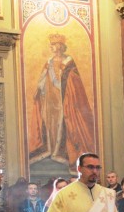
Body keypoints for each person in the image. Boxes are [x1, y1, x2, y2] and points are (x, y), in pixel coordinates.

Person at [27, 33, 95, 165]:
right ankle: (51, 149)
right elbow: (43, 78)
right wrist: (39, 89)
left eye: (53, 45)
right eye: (51, 45)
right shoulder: (49, 62)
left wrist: (65, 84)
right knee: (50, 123)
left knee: (63, 123)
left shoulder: (69, 61)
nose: (51, 47)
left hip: (64, 99)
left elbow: (74, 80)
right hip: (50, 99)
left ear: (59, 46)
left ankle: (60, 151)